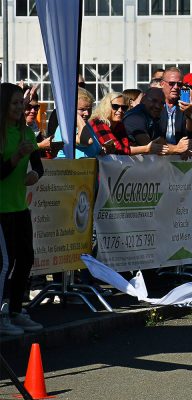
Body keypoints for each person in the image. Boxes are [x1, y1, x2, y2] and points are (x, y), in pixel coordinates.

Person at [0, 83, 45, 335]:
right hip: (1, 209)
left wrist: (34, 177)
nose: (20, 108)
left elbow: (38, 167)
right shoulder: (2, 133)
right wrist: (16, 157)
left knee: (26, 258)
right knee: (5, 263)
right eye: (15, 103)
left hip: (19, 206)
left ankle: (16, 310)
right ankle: (2, 314)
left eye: (22, 103)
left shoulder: (27, 133)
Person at [53, 87, 102, 159]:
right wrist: (75, 114)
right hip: (68, 168)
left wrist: (102, 150)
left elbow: (94, 149)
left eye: (89, 109)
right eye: (82, 109)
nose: (87, 113)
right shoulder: (65, 128)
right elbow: (87, 141)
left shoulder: (86, 124)